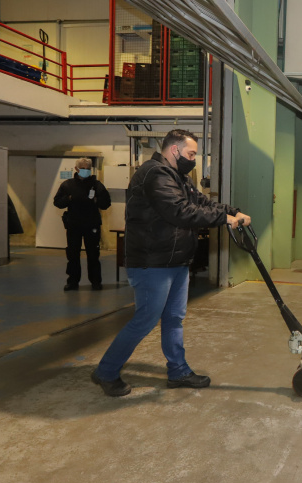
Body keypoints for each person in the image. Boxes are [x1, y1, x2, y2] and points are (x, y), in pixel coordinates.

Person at [91, 129, 250, 397]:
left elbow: (200, 202)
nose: (193, 160)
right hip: (152, 263)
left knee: (174, 318)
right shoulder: (155, 174)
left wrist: (232, 211)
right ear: (174, 150)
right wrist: (225, 220)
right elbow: (180, 211)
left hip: (176, 261)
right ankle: (105, 372)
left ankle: (178, 371)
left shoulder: (179, 177)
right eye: (190, 154)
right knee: (145, 319)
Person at [53, 158, 111, 291]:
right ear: (76, 169)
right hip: (74, 224)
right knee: (73, 254)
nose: (85, 171)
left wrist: (96, 200)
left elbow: (106, 203)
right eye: (83, 168)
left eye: (88, 168)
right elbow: (57, 202)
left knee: (93, 254)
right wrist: (69, 198)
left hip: (92, 225)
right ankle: (73, 281)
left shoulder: (97, 185)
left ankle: (96, 282)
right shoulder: (67, 185)